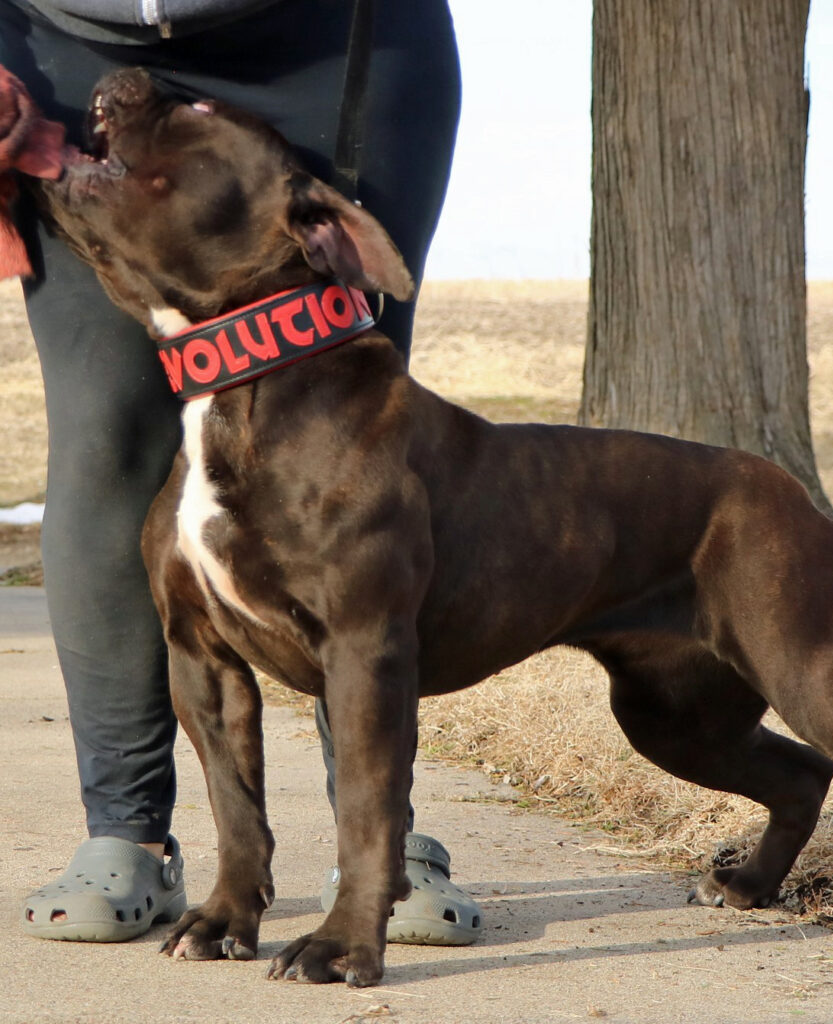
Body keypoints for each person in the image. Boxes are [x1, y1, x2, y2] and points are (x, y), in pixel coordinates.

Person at [2, 0, 482, 947]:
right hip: (67, 42)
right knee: (106, 433)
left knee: (346, 432)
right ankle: (128, 835)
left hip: (334, 42)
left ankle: (376, 848)